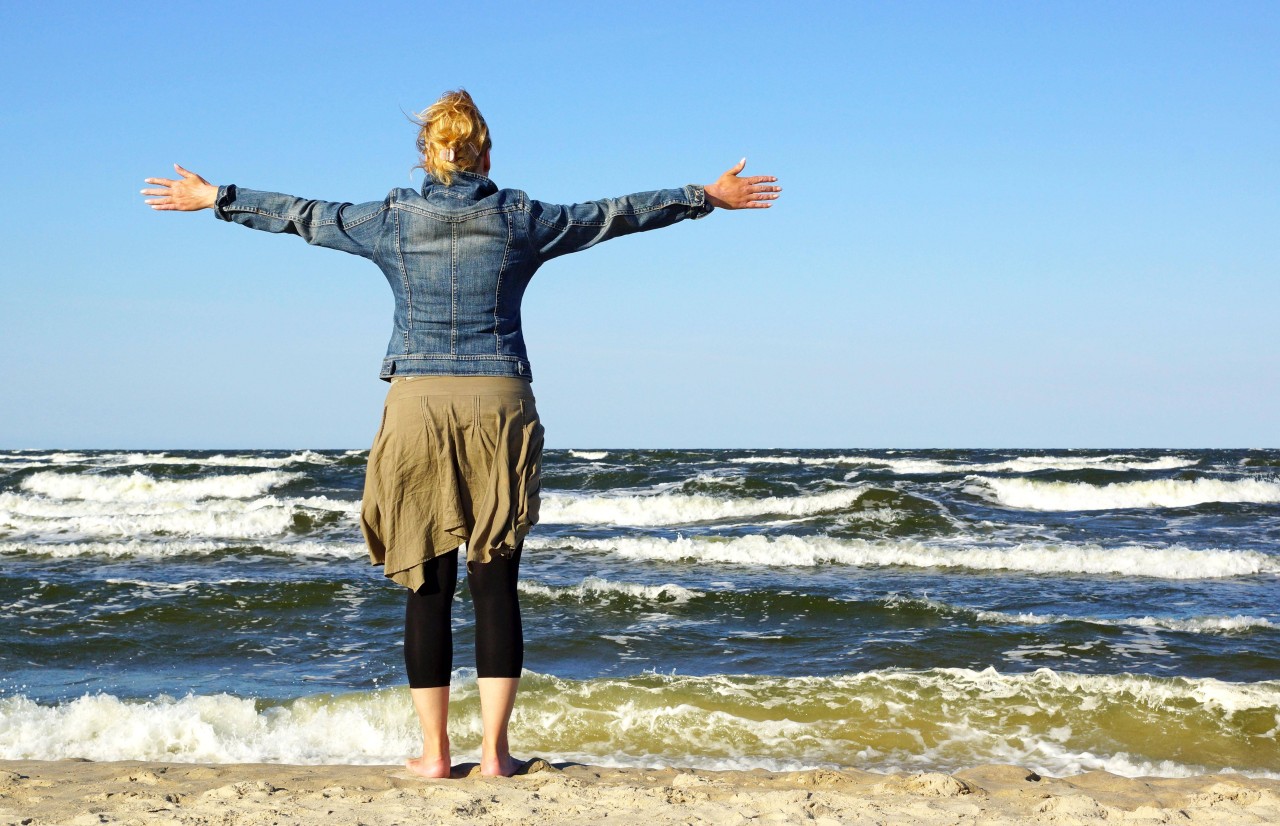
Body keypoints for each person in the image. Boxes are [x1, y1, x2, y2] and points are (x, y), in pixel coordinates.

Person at [140, 89, 781, 779]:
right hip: (498, 399)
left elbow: (304, 216)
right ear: (486, 153)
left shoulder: (390, 219)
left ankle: (435, 755)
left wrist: (217, 196)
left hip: (417, 401)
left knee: (428, 581)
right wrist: (704, 196)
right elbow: (611, 216)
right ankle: (497, 756)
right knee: (495, 578)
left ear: (427, 154)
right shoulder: (521, 219)